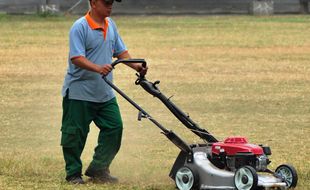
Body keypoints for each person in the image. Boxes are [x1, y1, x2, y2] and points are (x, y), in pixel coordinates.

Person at [60, 0, 147, 184]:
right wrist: (98, 68)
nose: (110, 5)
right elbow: (76, 57)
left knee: (114, 128)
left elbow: (121, 52)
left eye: (111, 2)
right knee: (74, 134)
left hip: (104, 92)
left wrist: (137, 67)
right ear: (93, 3)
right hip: (79, 93)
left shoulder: (110, 25)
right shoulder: (80, 27)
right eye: (106, 2)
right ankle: (73, 174)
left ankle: (99, 169)